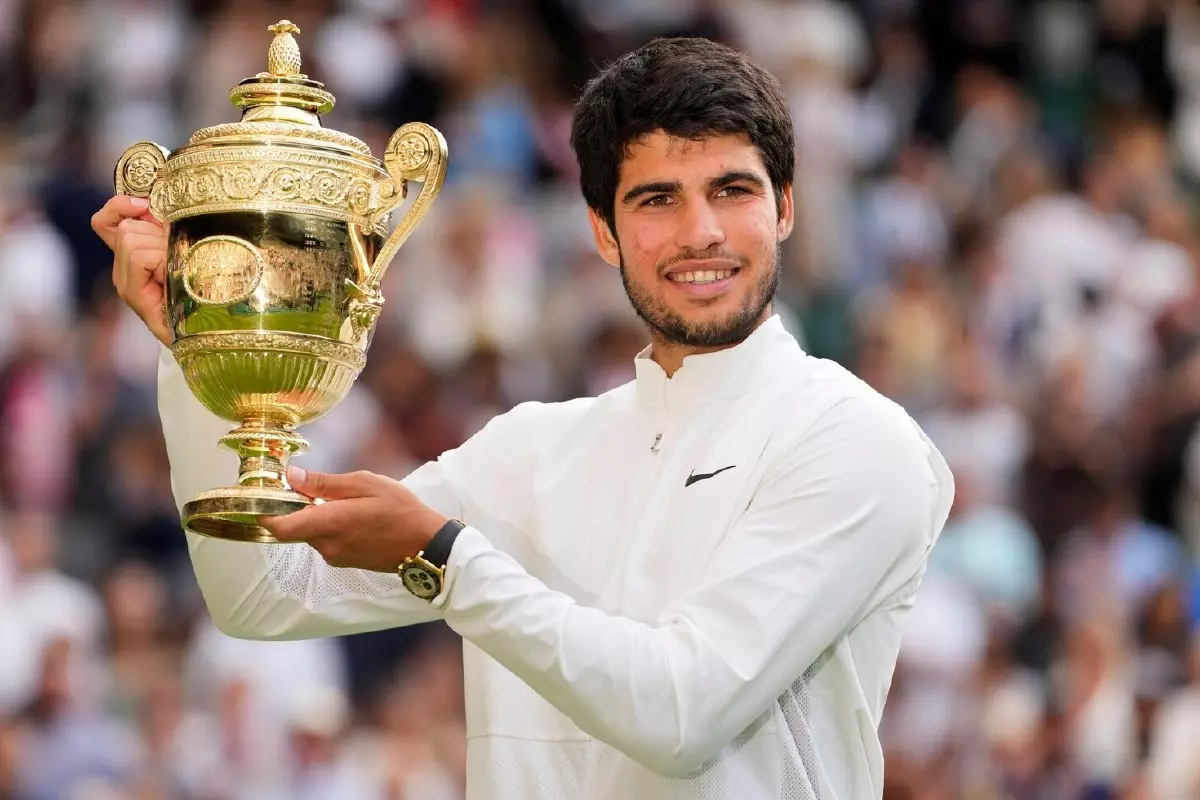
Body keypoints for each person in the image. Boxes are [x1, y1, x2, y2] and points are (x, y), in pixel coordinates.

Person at [93, 36, 954, 800]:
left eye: (732, 190)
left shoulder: (856, 439)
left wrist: (445, 558)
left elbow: (683, 714)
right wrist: (197, 343)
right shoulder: (534, 449)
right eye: (656, 200)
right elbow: (265, 596)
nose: (701, 232)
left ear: (786, 208)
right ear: (602, 231)